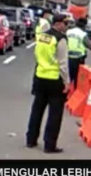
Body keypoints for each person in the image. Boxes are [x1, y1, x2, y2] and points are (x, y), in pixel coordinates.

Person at [26, 14, 70, 154]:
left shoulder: (42, 36)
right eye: (65, 23)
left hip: (40, 77)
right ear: (58, 24)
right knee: (55, 114)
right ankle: (49, 145)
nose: (67, 26)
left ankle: (31, 140)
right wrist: (67, 82)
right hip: (55, 80)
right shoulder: (60, 39)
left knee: (37, 110)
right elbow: (63, 63)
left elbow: (37, 55)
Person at [66, 17, 91, 89]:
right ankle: (74, 90)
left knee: (69, 74)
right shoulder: (82, 34)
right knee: (77, 76)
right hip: (79, 58)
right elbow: (88, 44)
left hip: (68, 56)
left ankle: (67, 89)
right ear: (84, 25)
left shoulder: (68, 32)